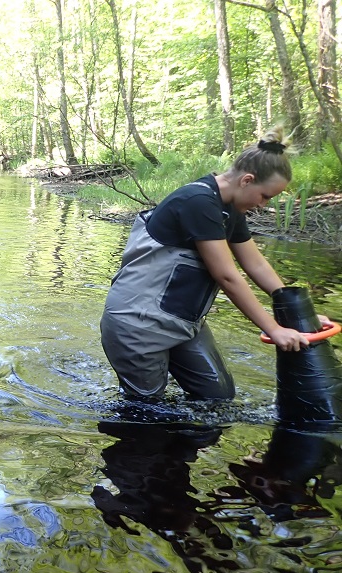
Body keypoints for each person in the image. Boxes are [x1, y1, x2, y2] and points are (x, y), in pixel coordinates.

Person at [101, 126, 323, 401]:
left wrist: (300, 315)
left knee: (217, 398)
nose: (264, 205)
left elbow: (256, 265)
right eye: (265, 196)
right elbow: (227, 276)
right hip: (137, 326)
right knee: (146, 411)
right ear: (247, 180)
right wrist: (273, 329)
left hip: (182, 323)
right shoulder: (198, 201)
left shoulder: (230, 207)